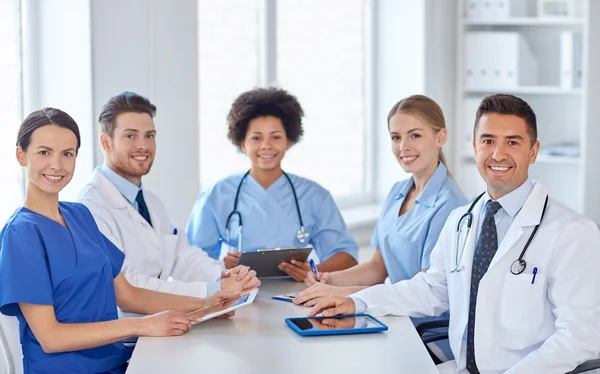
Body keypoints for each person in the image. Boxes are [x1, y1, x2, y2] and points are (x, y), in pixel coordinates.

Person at [308, 94, 600, 373]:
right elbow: (432, 289)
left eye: (512, 142)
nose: (498, 153)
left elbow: (581, 335)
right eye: (488, 141)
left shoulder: (572, 233)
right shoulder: (461, 220)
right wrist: (358, 302)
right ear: (474, 148)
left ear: (533, 151)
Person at [0, 108, 243, 374]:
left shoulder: (79, 215)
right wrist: (143, 325)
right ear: (21, 155)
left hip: (115, 363)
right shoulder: (21, 234)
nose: (57, 165)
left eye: (67, 153)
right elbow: (50, 337)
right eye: (44, 152)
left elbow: (129, 295)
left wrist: (206, 306)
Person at [77, 92, 260, 306]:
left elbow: (182, 257)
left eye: (150, 135)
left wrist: (225, 276)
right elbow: (129, 285)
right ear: (106, 143)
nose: (143, 145)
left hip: (162, 322)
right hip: (125, 333)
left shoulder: (151, 202)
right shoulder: (91, 207)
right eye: (130, 136)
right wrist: (214, 290)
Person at [295, 95, 467, 307]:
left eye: (415, 136)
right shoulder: (398, 192)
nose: (403, 147)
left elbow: (426, 292)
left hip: (420, 326)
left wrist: (346, 294)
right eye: (396, 137)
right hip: (389, 311)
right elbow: (378, 266)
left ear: (440, 138)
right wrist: (329, 279)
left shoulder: (450, 207)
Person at [186, 87, 358, 281]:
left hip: (299, 294)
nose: (266, 145)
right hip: (236, 293)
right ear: (242, 143)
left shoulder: (314, 196)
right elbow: (191, 257)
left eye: (276, 137)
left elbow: (347, 256)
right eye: (256, 138)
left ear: (289, 141)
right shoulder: (217, 194)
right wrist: (222, 265)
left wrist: (313, 272)